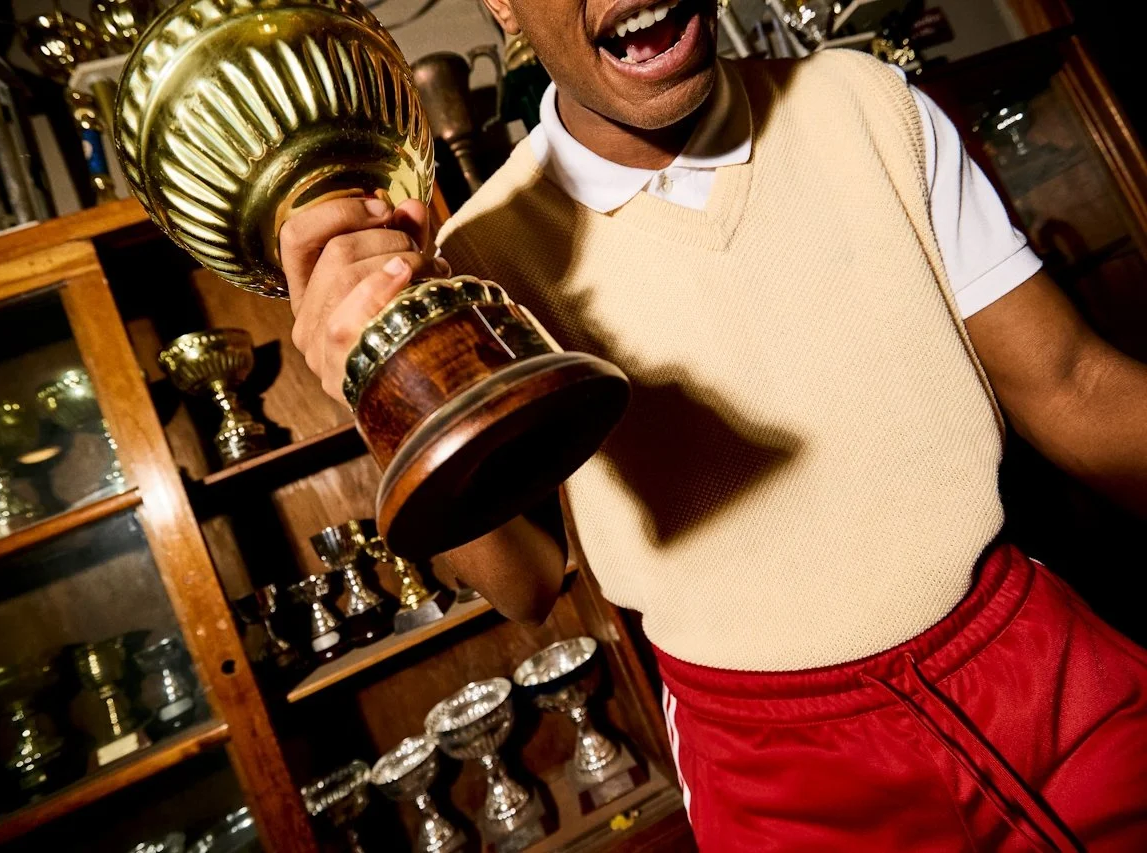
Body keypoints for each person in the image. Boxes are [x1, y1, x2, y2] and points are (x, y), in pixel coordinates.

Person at [278, 1, 1147, 849]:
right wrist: (383, 382)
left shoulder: (864, 101)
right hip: (778, 770)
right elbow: (526, 583)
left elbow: (1072, 384)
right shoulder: (476, 258)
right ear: (503, 8)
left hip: (1037, 671)